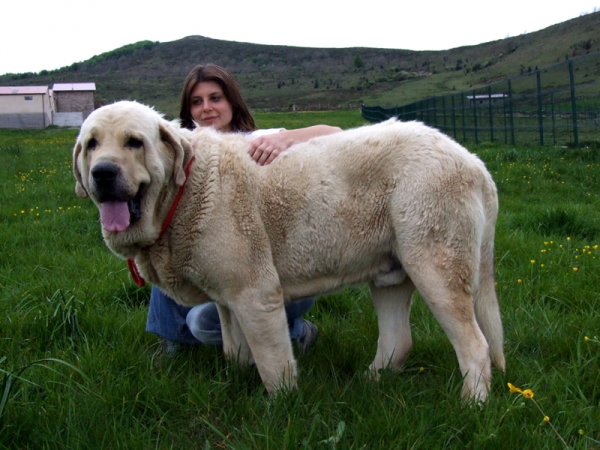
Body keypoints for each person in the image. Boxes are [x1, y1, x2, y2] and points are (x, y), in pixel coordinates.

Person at [146, 64, 342, 355]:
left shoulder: (259, 141)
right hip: (224, 267)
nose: (207, 109)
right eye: (197, 102)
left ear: (232, 102)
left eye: (216, 98)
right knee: (167, 242)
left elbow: (336, 133)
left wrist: (284, 138)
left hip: (280, 272)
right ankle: (174, 341)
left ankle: (296, 332)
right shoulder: (185, 159)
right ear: (188, 112)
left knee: (201, 323)